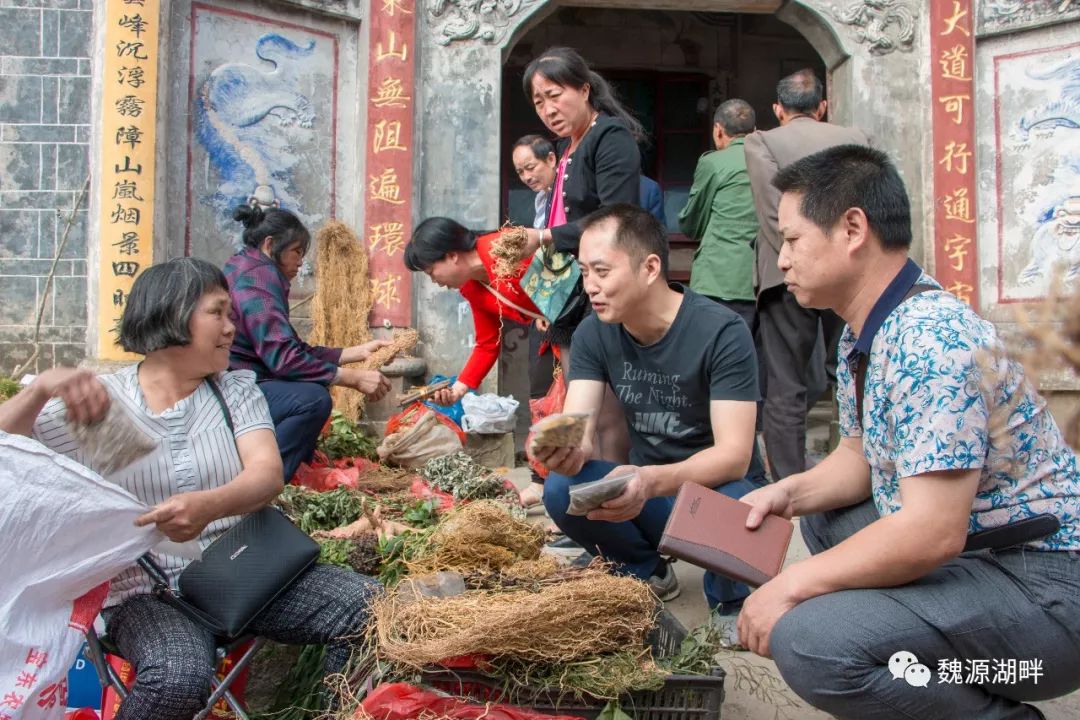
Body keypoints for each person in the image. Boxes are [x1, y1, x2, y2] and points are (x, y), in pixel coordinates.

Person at [735, 145, 1080, 718]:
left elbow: (930, 534)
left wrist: (792, 586)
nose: (784, 259)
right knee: (824, 516)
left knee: (812, 642)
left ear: (852, 228)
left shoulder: (931, 341)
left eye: (792, 240)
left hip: (1050, 596)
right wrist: (785, 493)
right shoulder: (866, 329)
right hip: (983, 554)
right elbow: (859, 456)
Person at [0, 257, 381, 720]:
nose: (230, 328)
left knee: (376, 611)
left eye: (230, 314)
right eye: (217, 313)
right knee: (177, 674)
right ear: (170, 315)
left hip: (241, 573)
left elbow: (265, 475)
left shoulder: (234, 391)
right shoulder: (100, 403)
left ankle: (333, 712)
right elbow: (8, 454)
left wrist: (210, 505)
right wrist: (39, 389)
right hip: (143, 592)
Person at [533, 204, 767, 642]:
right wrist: (560, 447)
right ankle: (647, 570)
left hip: (716, 489)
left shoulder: (721, 331)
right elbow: (579, 422)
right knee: (562, 489)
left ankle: (730, 598)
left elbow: (734, 457)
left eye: (602, 270)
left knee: (741, 507)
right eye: (584, 272)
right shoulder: (593, 332)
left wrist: (649, 480)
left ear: (650, 267)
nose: (591, 286)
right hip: (649, 495)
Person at [744, 69, 870, 481]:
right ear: (822, 107)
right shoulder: (857, 139)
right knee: (855, 368)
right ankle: (855, 470)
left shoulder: (762, 141)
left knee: (785, 381)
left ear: (778, 110)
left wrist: (798, 258)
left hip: (786, 274)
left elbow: (770, 215)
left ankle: (791, 482)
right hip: (850, 270)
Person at [224, 204, 391, 482]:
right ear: (270, 245)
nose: (301, 262)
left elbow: (290, 348)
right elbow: (283, 358)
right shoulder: (258, 279)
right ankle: (266, 481)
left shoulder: (246, 265)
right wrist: (352, 378)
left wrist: (355, 353)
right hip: (234, 387)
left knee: (309, 389)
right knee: (311, 400)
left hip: (238, 381)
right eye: (296, 252)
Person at [404, 217, 544, 407]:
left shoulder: (501, 246)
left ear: (452, 256)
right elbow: (487, 344)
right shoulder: (472, 287)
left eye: (431, 272)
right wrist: (457, 390)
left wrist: (549, 310)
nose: (434, 281)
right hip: (559, 332)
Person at [679, 98, 759, 331]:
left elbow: (691, 224)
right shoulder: (770, 160)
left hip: (717, 278)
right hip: (760, 280)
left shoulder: (714, 163)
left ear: (718, 131)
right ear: (754, 132)